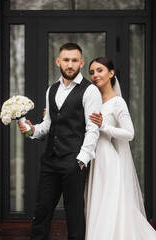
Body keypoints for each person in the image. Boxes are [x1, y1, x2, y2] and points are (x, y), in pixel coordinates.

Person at [18, 43, 102, 240]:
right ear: (58, 62)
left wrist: (81, 160)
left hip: (73, 161)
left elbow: (92, 129)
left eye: (74, 60)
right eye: (66, 60)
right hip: (50, 161)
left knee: (74, 217)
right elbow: (47, 125)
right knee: (41, 213)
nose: (70, 64)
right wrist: (32, 130)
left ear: (81, 63)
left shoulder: (90, 91)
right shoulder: (51, 89)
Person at [85, 57, 156, 240]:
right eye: (92, 72)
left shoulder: (118, 102)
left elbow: (129, 133)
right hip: (90, 158)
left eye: (99, 70)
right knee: (96, 204)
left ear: (111, 73)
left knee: (108, 206)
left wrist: (104, 127)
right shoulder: (90, 98)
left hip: (107, 160)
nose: (95, 75)